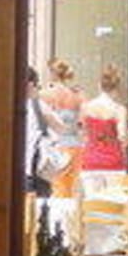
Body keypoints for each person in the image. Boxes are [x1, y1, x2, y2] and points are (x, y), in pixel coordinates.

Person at [77, 63, 128, 198]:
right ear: (117, 87)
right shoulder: (119, 110)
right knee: (115, 203)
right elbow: (122, 137)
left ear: (99, 85)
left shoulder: (86, 107)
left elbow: (83, 134)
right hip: (113, 161)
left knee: (92, 203)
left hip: (91, 160)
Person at [39, 58, 84, 199]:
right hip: (74, 146)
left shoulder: (45, 95)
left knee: (54, 189)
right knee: (70, 189)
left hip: (54, 146)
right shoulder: (77, 96)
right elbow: (82, 124)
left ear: (52, 74)